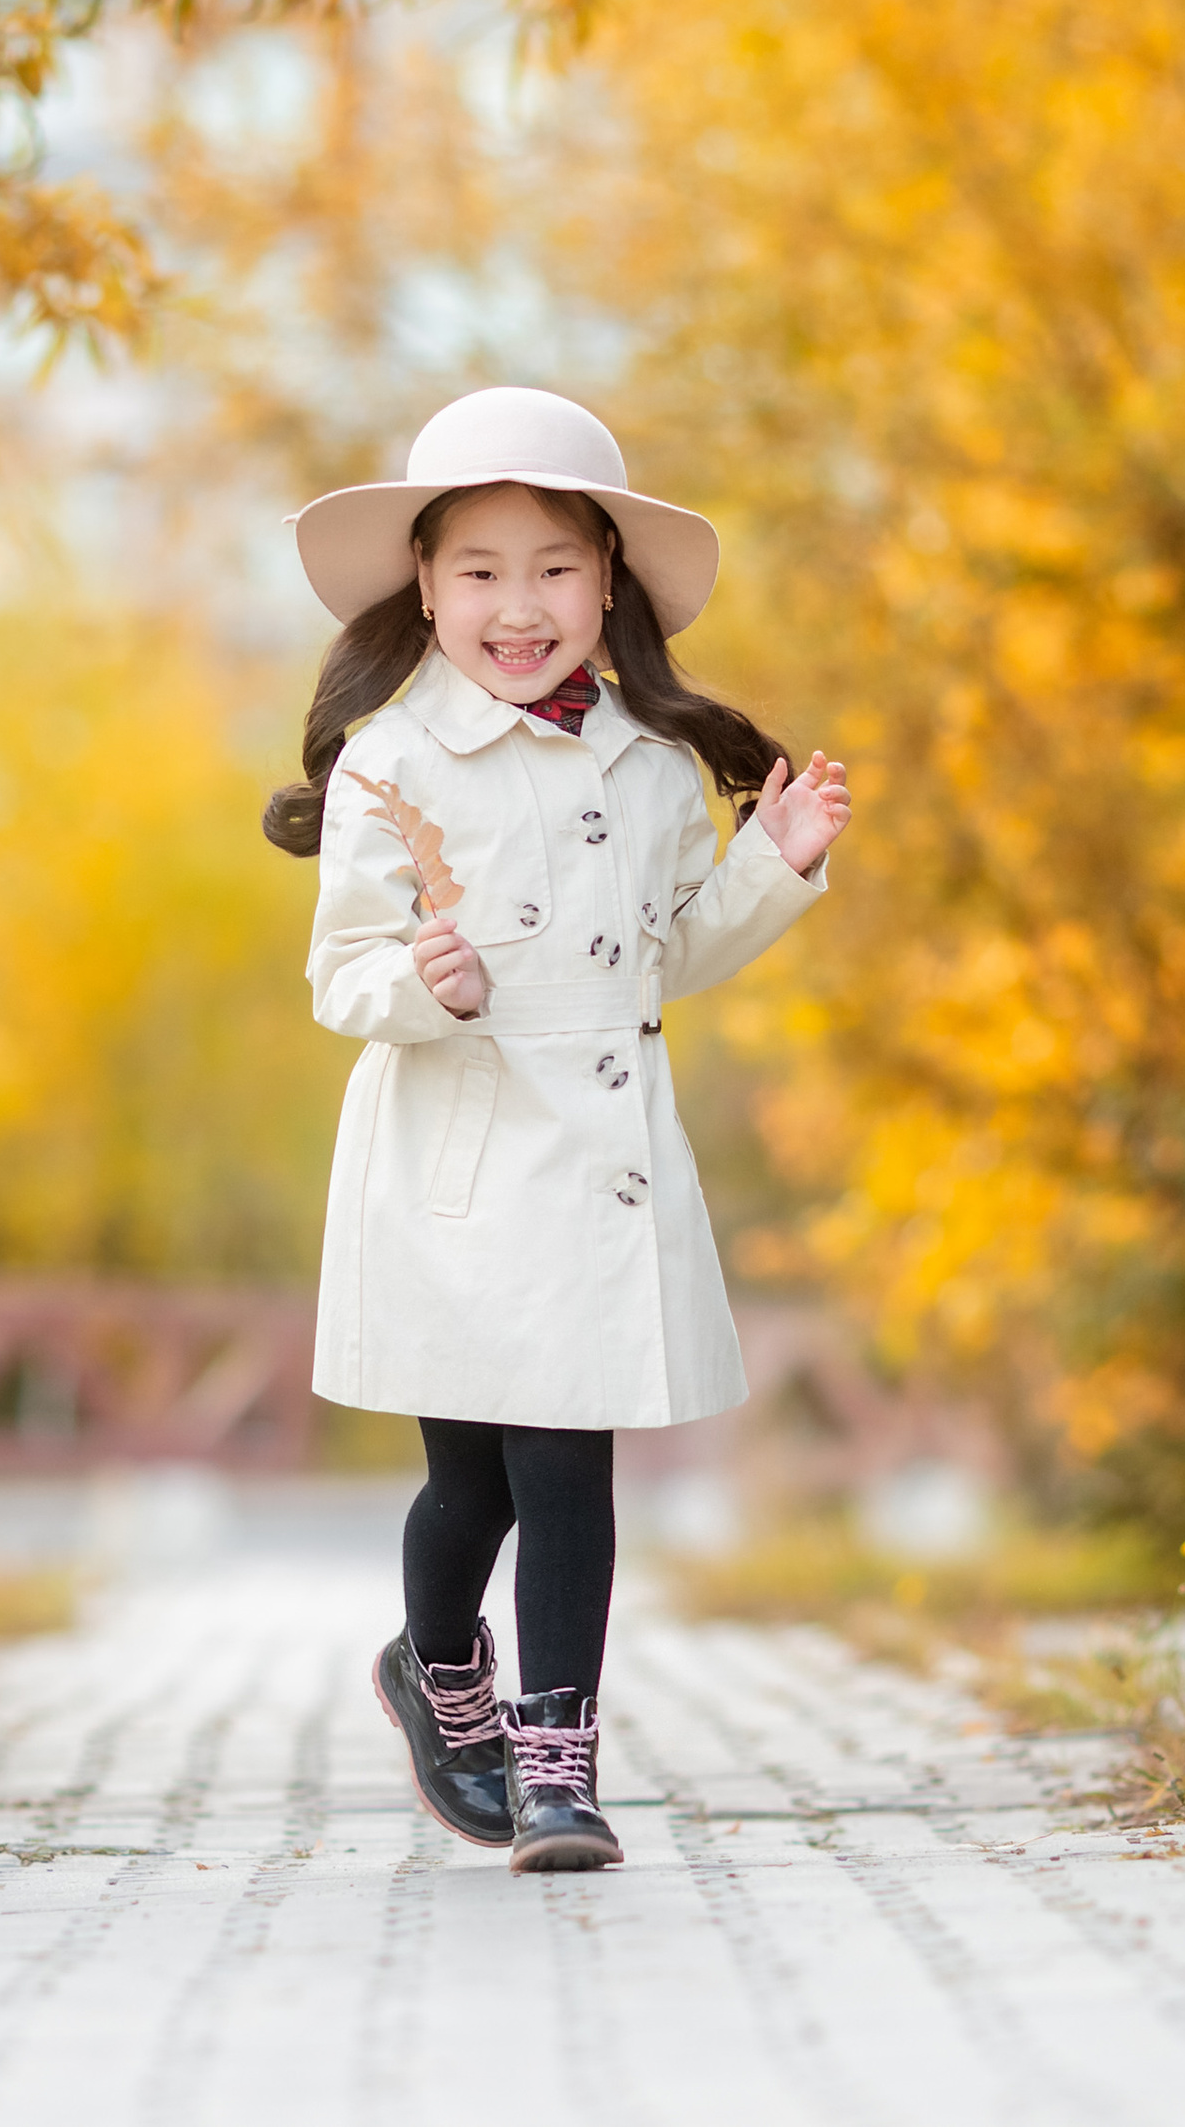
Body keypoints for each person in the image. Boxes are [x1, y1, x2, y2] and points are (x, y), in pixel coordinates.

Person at [266, 386, 852, 1874]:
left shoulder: (649, 768)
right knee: (469, 1491)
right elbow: (341, 975)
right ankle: (433, 1669)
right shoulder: (394, 763)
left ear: (609, 581)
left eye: (552, 570)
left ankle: (558, 1768)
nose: (517, 608)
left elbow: (664, 956)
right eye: (479, 571)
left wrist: (772, 867)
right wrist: (425, 983)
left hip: (594, 1171)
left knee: (567, 1476)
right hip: (457, 1174)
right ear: (425, 588)